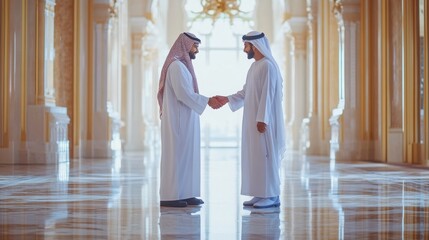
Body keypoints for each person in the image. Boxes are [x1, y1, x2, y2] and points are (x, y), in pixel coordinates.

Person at [215, 31, 286, 208]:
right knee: (256, 157)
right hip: (254, 121)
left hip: (264, 122)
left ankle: (271, 195)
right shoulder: (255, 66)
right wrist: (227, 99)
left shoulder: (268, 66)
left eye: (246, 46)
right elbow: (247, 92)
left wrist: (263, 119)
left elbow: (268, 95)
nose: (244, 49)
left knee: (266, 156)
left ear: (255, 46)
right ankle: (260, 193)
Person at [157, 32, 222, 207]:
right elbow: (183, 93)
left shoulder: (182, 66)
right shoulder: (176, 66)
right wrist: (207, 100)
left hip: (186, 120)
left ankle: (186, 193)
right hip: (178, 122)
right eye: (195, 46)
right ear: (186, 45)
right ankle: (171, 196)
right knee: (177, 157)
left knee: (188, 156)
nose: (197, 51)